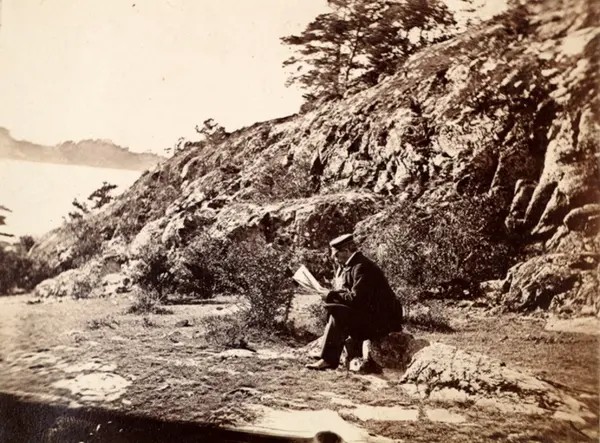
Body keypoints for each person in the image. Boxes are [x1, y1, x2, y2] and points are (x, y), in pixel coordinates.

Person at [306, 233, 403, 370]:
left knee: (337, 312)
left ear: (346, 251)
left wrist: (331, 295)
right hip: (373, 316)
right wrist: (330, 294)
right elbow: (350, 294)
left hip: (383, 322)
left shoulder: (362, 267)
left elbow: (357, 299)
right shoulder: (353, 265)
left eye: (336, 255)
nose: (335, 259)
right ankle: (328, 355)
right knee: (333, 307)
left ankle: (328, 359)